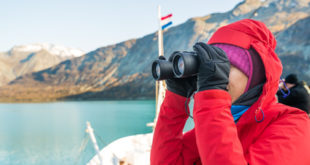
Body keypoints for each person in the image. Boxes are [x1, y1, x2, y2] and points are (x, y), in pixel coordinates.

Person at [150, 19, 310, 165]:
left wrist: (212, 97)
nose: (218, 75)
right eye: (213, 69)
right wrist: (176, 98)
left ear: (255, 75)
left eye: (226, 67)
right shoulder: (218, 125)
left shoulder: (294, 126)